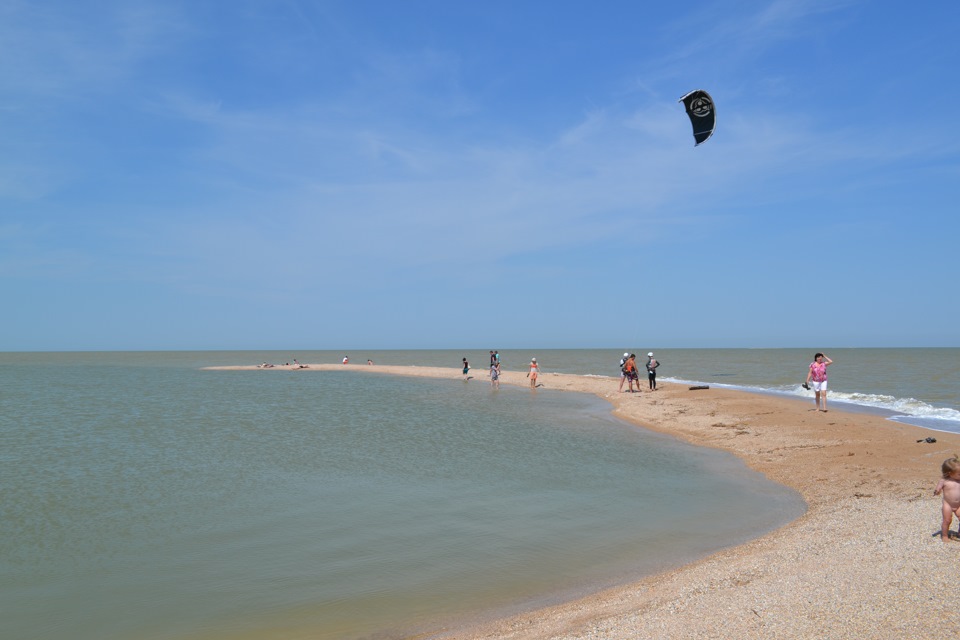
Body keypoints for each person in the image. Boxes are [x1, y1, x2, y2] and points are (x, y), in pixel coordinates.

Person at [934, 457, 960, 542]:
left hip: (958, 505)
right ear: (949, 473)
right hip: (948, 505)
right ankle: (944, 535)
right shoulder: (944, 481)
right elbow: (938, 489)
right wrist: (937, 491)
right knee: (947, 520)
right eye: (959, 474)